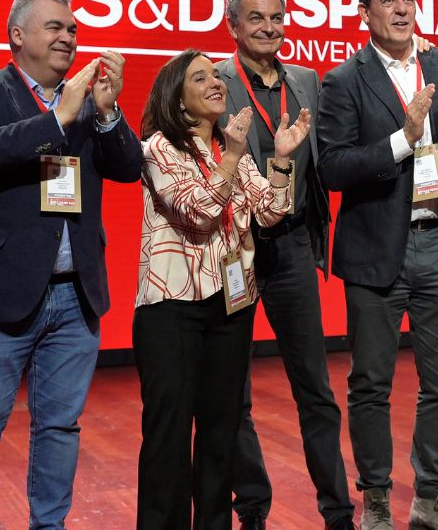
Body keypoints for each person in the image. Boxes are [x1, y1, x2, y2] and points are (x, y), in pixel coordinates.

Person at [0, 0, 143, 530]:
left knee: (60, 426)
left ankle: (48, 525)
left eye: (74, 29)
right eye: (55, 26)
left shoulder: (87, 98)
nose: (68, 37)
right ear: (18, 36)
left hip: (74, 293)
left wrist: (105, 115)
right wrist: (58, 120)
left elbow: (128, 168)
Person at [316, 0, 438, 530]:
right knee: (371, 383)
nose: (402, 9)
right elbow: (334, 167)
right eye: (388, 1)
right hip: (376, 254)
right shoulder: (345, 80)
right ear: (365, 12)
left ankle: (429, 496)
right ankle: (374, 501)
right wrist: (404, 136)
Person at [133, 49, 309, 529]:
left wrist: (281, 160)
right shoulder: (157, 150)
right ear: (177, 96)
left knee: (221, 432)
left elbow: (273, 212)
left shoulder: (231, 147)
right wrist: (231, 157)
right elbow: (199, 211)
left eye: (216, 75)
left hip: (231, 306)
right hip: (171, 309)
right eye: (200, 77)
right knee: (168, 435)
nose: (216, 83)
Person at [213, 0, 354, 530]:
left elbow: (319, 166)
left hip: (292, 245)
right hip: (237, 247)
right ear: (234, 27)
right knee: (233, 392)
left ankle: (337, 512)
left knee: (315, 389)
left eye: (276, 17)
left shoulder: (306, 82)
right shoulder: (213, 80)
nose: (269, 27)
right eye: (256, 19)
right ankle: (252, 508)